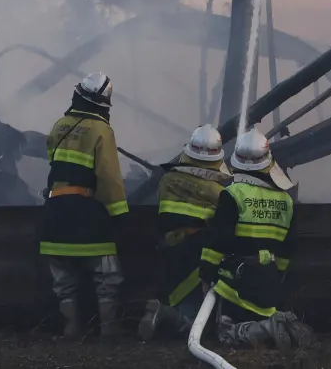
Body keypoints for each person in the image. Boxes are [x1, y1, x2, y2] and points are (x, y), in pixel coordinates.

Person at [199, 128, 313, 351]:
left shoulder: (232, 194)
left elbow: (218, 242)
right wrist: (275, 274)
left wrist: (207, 273)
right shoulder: (285, 200)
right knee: (256, 326)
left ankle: (269, 328)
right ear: (268, 162)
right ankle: (277, 325)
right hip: (268, 279)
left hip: (235, 280)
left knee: (225, 335)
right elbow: (288, 248)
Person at [39, 72, 130, 338]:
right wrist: (119, 213)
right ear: (103, 103)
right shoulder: (102, 130)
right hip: (86, 212)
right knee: (107, 277)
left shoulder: (59, 125)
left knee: (63, 280)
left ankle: (71, 329)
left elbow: (54, 162)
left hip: (55, 211)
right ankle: (109, 331)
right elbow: (109, 176)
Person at [137, 124, 231, 341]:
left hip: (170, 247)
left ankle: (163, 315)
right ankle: (164, 314)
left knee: (180, 296)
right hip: (198, 253)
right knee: (197, 324)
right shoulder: (217, 192)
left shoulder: (167, 180)